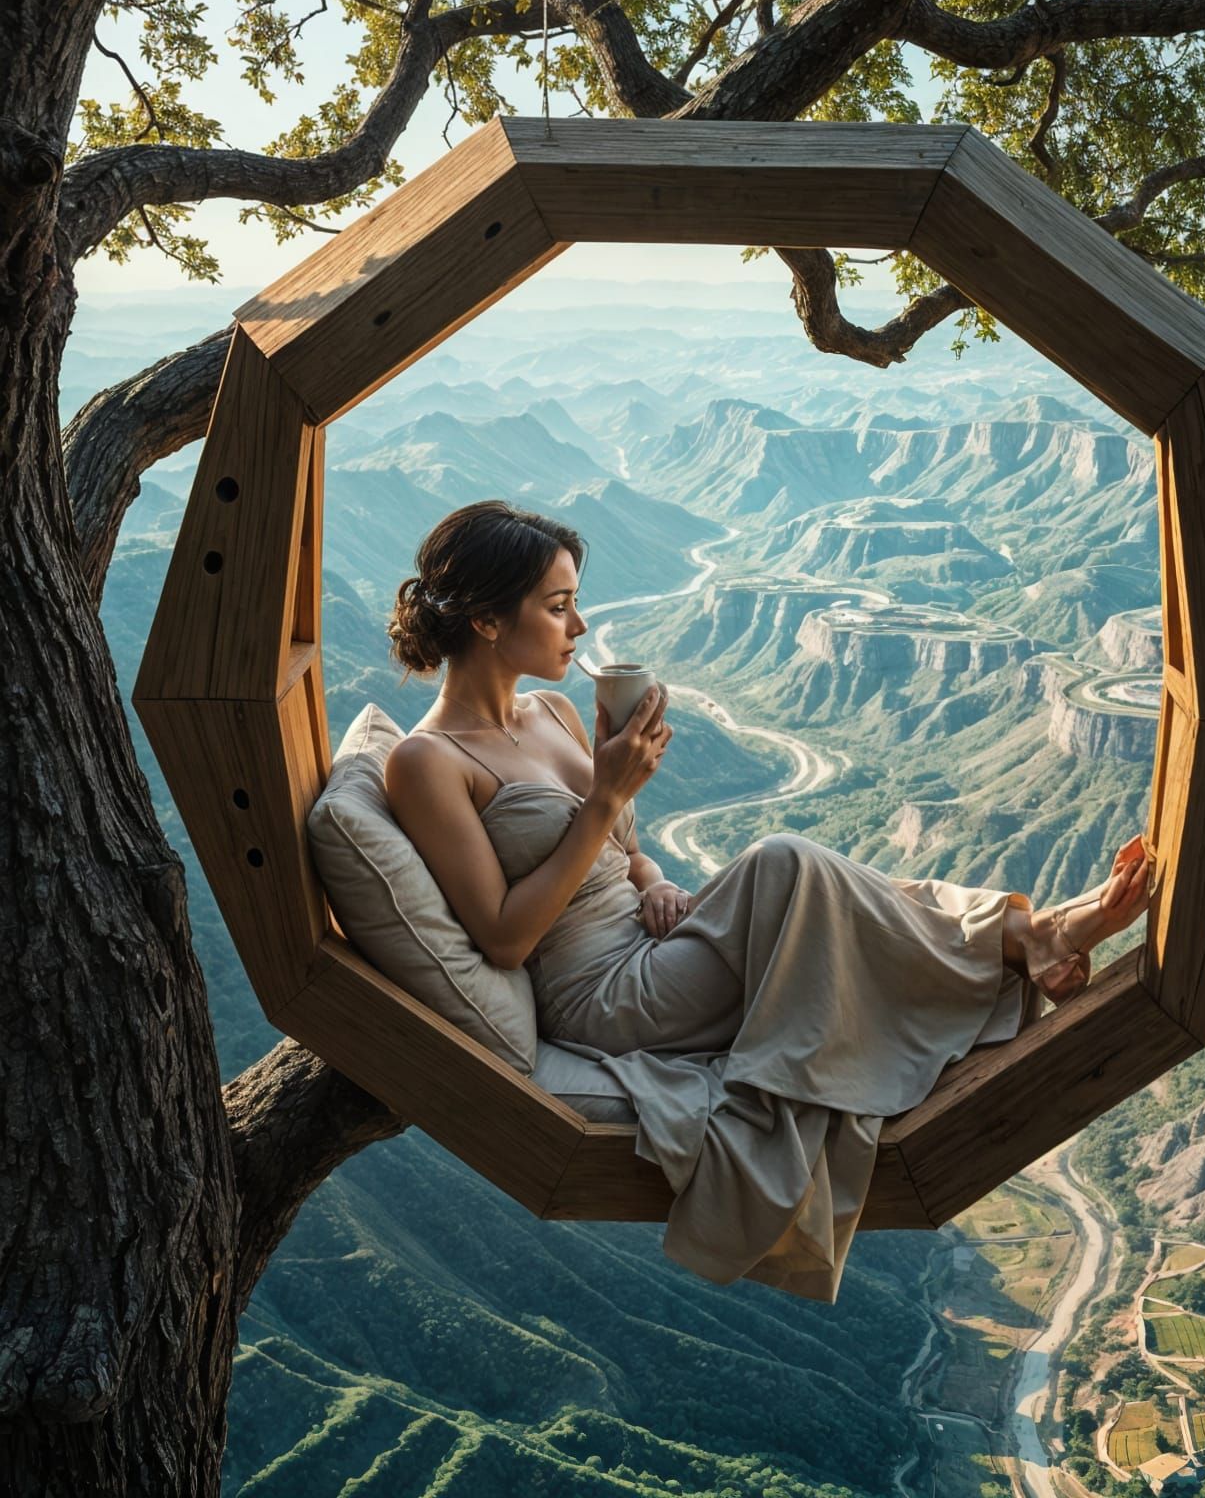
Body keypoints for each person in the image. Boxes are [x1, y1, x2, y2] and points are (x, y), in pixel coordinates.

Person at [383, 500, 1151, 1301]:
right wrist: (607, 797)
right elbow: (504, 939)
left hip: (652, 941)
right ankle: (1028, 937)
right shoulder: (427, 762)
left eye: (575, 602)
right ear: (486, 621)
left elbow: (625, 857)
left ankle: (1026, 936)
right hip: (603, 997)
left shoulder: (552, 712)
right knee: (788, 866)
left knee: (794, 876)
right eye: (557, 606)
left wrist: (656, 882)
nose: (579, 626)